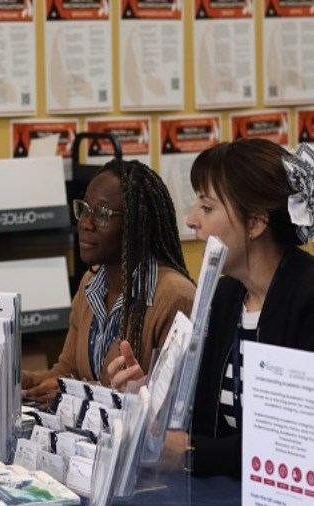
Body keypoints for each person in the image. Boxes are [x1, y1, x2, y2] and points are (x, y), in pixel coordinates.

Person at [109, 138, 314, 478]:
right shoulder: (226, 296)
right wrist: (146, 394)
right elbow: (198, 416)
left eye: (206, 207)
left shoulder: (306, 298)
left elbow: (295, 439)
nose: (191, 220)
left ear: (255, 223)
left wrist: (192, 452)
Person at [21, 159, 195, 405]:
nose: (85, 223)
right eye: (83, 210)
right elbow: (67, 372)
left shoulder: (175, 297)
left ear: (137, 223)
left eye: (102, 214)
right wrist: (21, 379)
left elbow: (172, 407)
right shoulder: (90, 283)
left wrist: (77, 396)